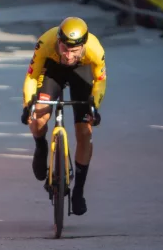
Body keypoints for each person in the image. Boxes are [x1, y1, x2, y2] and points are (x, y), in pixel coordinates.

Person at [21, 17, 106, 216]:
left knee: (84, 131)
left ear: (82, 46)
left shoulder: (95, 49)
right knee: (39, 115)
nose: (68, 55)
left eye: (73, 51)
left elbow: (100, 81)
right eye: (64, 49)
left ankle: (79, 191)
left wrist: (94, 105)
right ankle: (41, 146)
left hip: (82, 71)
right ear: (58, 41)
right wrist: (28, 105)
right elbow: (31, 76)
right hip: (52, 69)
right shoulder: (46, 41)